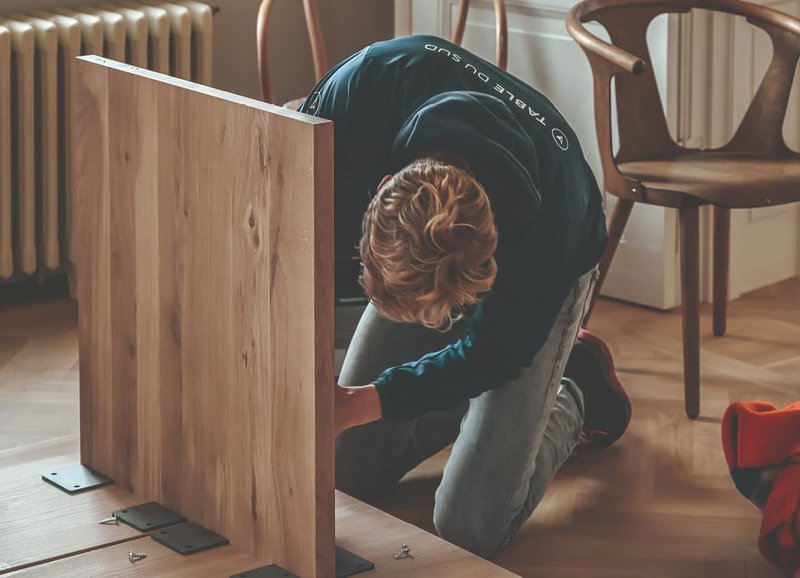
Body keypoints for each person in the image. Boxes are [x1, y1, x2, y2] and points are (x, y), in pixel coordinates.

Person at [299, 35, 632, 559]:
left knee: (469, 525)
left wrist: (362, 401)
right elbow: (289, 207)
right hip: (448, 244)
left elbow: (489, 356)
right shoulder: (365, 88)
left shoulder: (550, 234)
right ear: (384, 186)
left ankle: (576, 389)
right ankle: (489, 414)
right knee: (345, 473)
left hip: (553, 263)